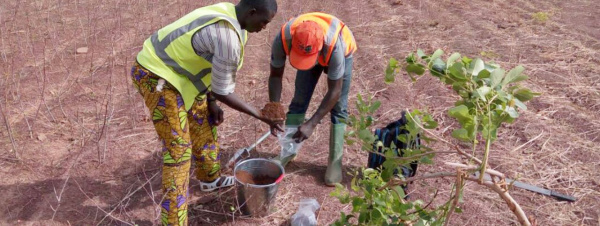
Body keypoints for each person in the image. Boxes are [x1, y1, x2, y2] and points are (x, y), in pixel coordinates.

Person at [130, 1, 280, 225]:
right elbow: (223, 91)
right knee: (178, 150)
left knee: (203, 121)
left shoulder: (234, 18)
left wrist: (210, 100)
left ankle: (209, 178)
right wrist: (260, 114)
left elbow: (210, 64)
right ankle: (174, 221)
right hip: (156, 76)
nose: (265, 27)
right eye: (264, 21)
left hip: (180, 76)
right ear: (251, 12)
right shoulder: (227, 36)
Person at [268, 12, 357, 186]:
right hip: (313, 48)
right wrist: (274, 110)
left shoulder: (335, 45)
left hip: (341, 50)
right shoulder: (284, 37)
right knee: (299, 100)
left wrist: (312, 123)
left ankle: (334, 161)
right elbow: (275, 76)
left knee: (339, 108)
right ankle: (288, 151)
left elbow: (335, 91)